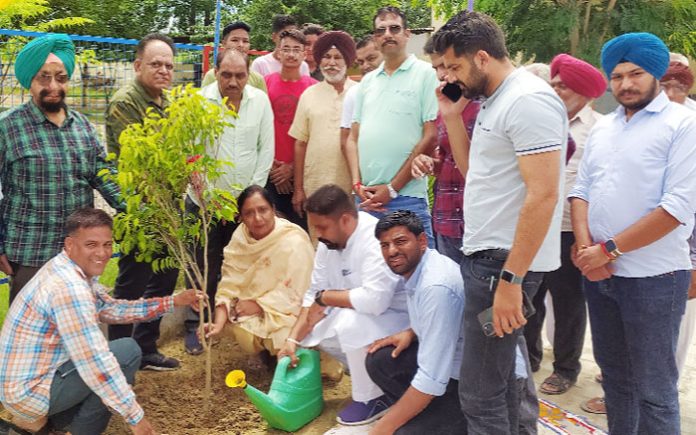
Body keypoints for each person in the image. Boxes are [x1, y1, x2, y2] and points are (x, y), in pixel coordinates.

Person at [432, 10, 567, 434]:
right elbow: (478, 175)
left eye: (454, 66)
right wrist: (452, 116)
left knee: (480, 393)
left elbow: (543, 194)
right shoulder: (494, 99)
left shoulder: (527, 99)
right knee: (506, 380)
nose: (449, 76)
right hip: (489, 260)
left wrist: (511, 280)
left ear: (483, 58)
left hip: (502, 266)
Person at [569, 32, 696, 434]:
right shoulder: (605, 128)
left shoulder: (684, 124)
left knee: (655, 390)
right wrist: (586, 249)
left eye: (636, 73)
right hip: (601, 276)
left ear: (655, 72)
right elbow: (581, 189)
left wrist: (607, 249)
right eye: (617, 75)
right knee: (616, 383)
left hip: (655, 279)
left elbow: (677, 207)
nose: (625, 83)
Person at [0, 208, 204, 435]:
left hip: (29, 380)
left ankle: (54, 421)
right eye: (91, 245)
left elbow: (111, 309)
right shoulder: (69, 289)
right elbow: (95, 362)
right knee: (125, 354)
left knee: (119, 356)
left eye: (107, 244)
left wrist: (174, 301)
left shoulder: (67, 267)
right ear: (69, 244)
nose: (103, 253)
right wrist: (136, 418)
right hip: (30, 391)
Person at [0, 34, 122, 305]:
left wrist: (143, 213)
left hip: (78, 253)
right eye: (44, 77)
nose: (53, 85)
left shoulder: (83, 127)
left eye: (61, 77)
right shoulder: (8, 128)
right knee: (31, 335)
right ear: (29, 81)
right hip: (31, 253)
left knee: (77, 328)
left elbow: (105, 177)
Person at [277, 184, 409, 426]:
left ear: (346, 220)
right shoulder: (329, 243)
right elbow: (314, 293)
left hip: (401, 322)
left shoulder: (375, 238)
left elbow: (375, 300)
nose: (317, 233)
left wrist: (326, 298)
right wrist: (292, 340)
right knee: (315, 333)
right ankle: (373, 378)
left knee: (348, 324)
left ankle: (373, 397)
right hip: (368, 319)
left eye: (322, 227)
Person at [183, 49, 275, 355]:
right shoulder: (199, 103)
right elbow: (193, 155)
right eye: (226, 75)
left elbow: (266, 150)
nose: (233, 82)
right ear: (215, 72)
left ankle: (236, 321)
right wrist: (211, 198)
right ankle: (195, 324)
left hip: (244, 208)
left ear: (248, 75)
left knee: (241, 264)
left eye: (240, 75)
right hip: (205, 203)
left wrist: (251, 200)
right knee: (201, 264)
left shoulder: (260, 102)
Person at [524, 53, 606, 395]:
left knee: (569, 303)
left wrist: (585, 236)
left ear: (585, 94)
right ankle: (527, 359)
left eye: (564, 87)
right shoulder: (539, 121)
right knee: (530, 298)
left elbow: (598, 185)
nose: (555, 92)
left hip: (571, 231)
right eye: (553, 85)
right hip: (535, 226)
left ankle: (566, 368)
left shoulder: (599, 128)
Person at [105, 33, 181, 371]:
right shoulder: (126, 102)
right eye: (156, 64)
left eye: (168, 65)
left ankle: (146, 347)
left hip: (169, 208)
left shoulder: (169, 102)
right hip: (140, 211)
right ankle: (120, 357)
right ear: (138, 66)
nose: (163, 70)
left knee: (163, 279)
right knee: (131, 285)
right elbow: (138, 164)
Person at [366, 210, 466, 434]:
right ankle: (424, 415)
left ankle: (453, 421)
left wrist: (382, 428)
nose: (392, 251)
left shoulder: (435, 285)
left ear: (422, 240)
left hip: (466, 385)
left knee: (398, 431)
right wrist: (411, 332)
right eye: (385, 245)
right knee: (379, 359)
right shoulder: (420, 269)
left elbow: (431, 378)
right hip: (448, 370)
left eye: (400, 241)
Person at [345, 7, 439, 246]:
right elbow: (352, 139)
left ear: (407, 34)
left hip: (406, 197)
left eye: (394, 28)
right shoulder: (366, 83)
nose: (388, 34)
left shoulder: (426, 75)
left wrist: (392, 188)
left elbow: (431, 135)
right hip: (366, 200)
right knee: (371, 276)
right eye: (381, 30)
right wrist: (357, 185)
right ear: (376, 38)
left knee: (417, 275)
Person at [202, 186, 314, 367]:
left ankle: (296, 364)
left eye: (263, 210)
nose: (258, 218)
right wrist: (218, 324)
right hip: (251, 308)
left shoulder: (294, 240)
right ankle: (265, 354)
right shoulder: (240, 237)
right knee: (236, 320)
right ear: (241, 218)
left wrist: (259, 305)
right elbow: (230, 283)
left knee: (285, 332)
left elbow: (300, 292)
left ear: (273, 209)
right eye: (249, 213)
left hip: (291, 311)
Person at [411, 37, 480, 264]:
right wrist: (430, 162)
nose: (441, 74)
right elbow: (447, 158)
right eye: (436, 68)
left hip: (477, 226)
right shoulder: (445, 105)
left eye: (446, 66)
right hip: (445, 221)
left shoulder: (485, 106)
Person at [291, 31, 357, 221]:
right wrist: (298, 189)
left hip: (351, 187)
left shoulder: (360, 93)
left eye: (338, 57)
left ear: (348, 61)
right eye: (327, 57)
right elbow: (300, 143)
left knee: (351, 241)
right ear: (319, 61)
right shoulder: (308, 95)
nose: (331, 63)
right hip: (316, 185)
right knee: (319, 241)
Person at [660, 60, 696, 376]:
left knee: (677, 329)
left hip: (684, 255)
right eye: (665, 86)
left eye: (679, 88)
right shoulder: (642, 124)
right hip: (641, 252)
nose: (672, 94)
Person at [264, 29, 317, 229]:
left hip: (301, 176)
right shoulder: (265, 83)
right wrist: (272, 168)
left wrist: (292, 169)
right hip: (270, 173)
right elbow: (259, 129)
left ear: (304, 53)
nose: (291, 54)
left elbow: (315, 136)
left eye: (297, 49)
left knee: (300, 232)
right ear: (278, 52)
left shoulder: (313, 88)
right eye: (286, 49)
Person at [339, 35, 383, 154]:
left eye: (371, 58)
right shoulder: (354, 94)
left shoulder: (404, 89)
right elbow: (346, 140)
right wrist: (355, 172)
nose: (365, 66)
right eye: (360, 62)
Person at [200, 21, 267, 92]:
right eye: (235, 40)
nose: (241, 45)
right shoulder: (211, 76)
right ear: (224, 43)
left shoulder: (257, 79)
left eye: (245, 41)